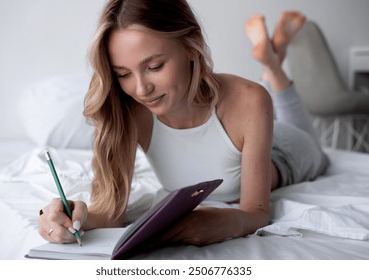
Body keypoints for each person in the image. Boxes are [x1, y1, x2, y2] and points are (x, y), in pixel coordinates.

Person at [38, 0, 329, 247]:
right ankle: (272, 60)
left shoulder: (250, 100)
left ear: (191, 46)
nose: (141, 90)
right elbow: (112, 215)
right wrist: (75, 215)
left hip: (288, 152)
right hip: (246, 136)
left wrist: (210, 224)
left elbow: (256, 212)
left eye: (154, 67)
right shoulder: (130, 111)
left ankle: (273, 67)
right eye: (124, 74)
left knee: (310, 139)